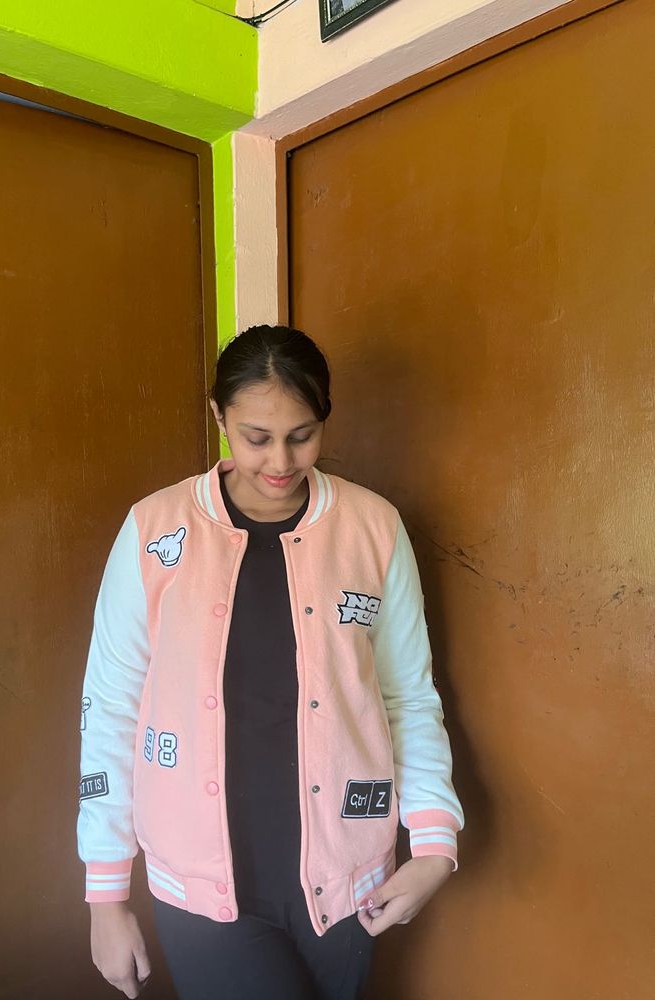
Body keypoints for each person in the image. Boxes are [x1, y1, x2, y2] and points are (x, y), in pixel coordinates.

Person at [78, 325, 464, 999]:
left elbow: (406, 695)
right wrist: (105, 896)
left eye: (303, 434)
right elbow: (110, 705)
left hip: (344, 884)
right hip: (203, 885)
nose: (281, 460)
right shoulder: (154, 531)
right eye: (256, 437)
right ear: (218, 416)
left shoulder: (373, 528)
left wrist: (434, 842)